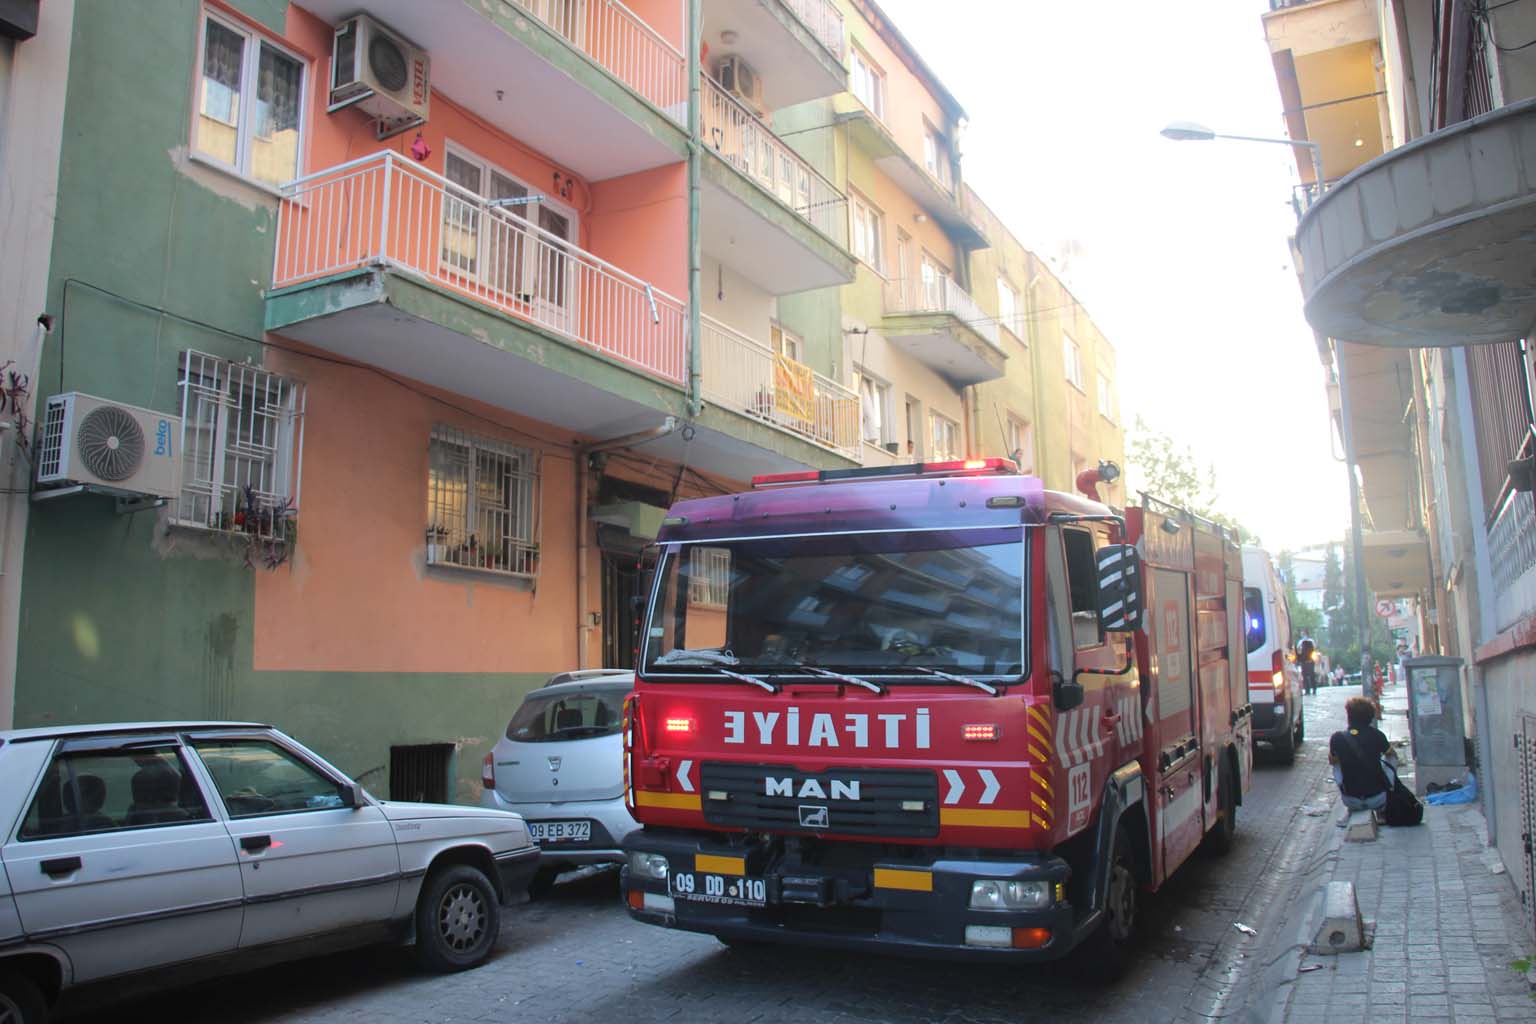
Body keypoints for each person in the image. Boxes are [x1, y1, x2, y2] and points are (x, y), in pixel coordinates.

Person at [1329, 696, 1395, 811]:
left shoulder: (1337, 738)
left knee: (1335, 760)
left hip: (1350, 800)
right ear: (1370, 716)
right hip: (1378, 798)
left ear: (1349, 716)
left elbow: (1332, 761)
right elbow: (1392, 755)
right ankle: (1389, 787)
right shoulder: (1377, 735)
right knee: (1390, 756)